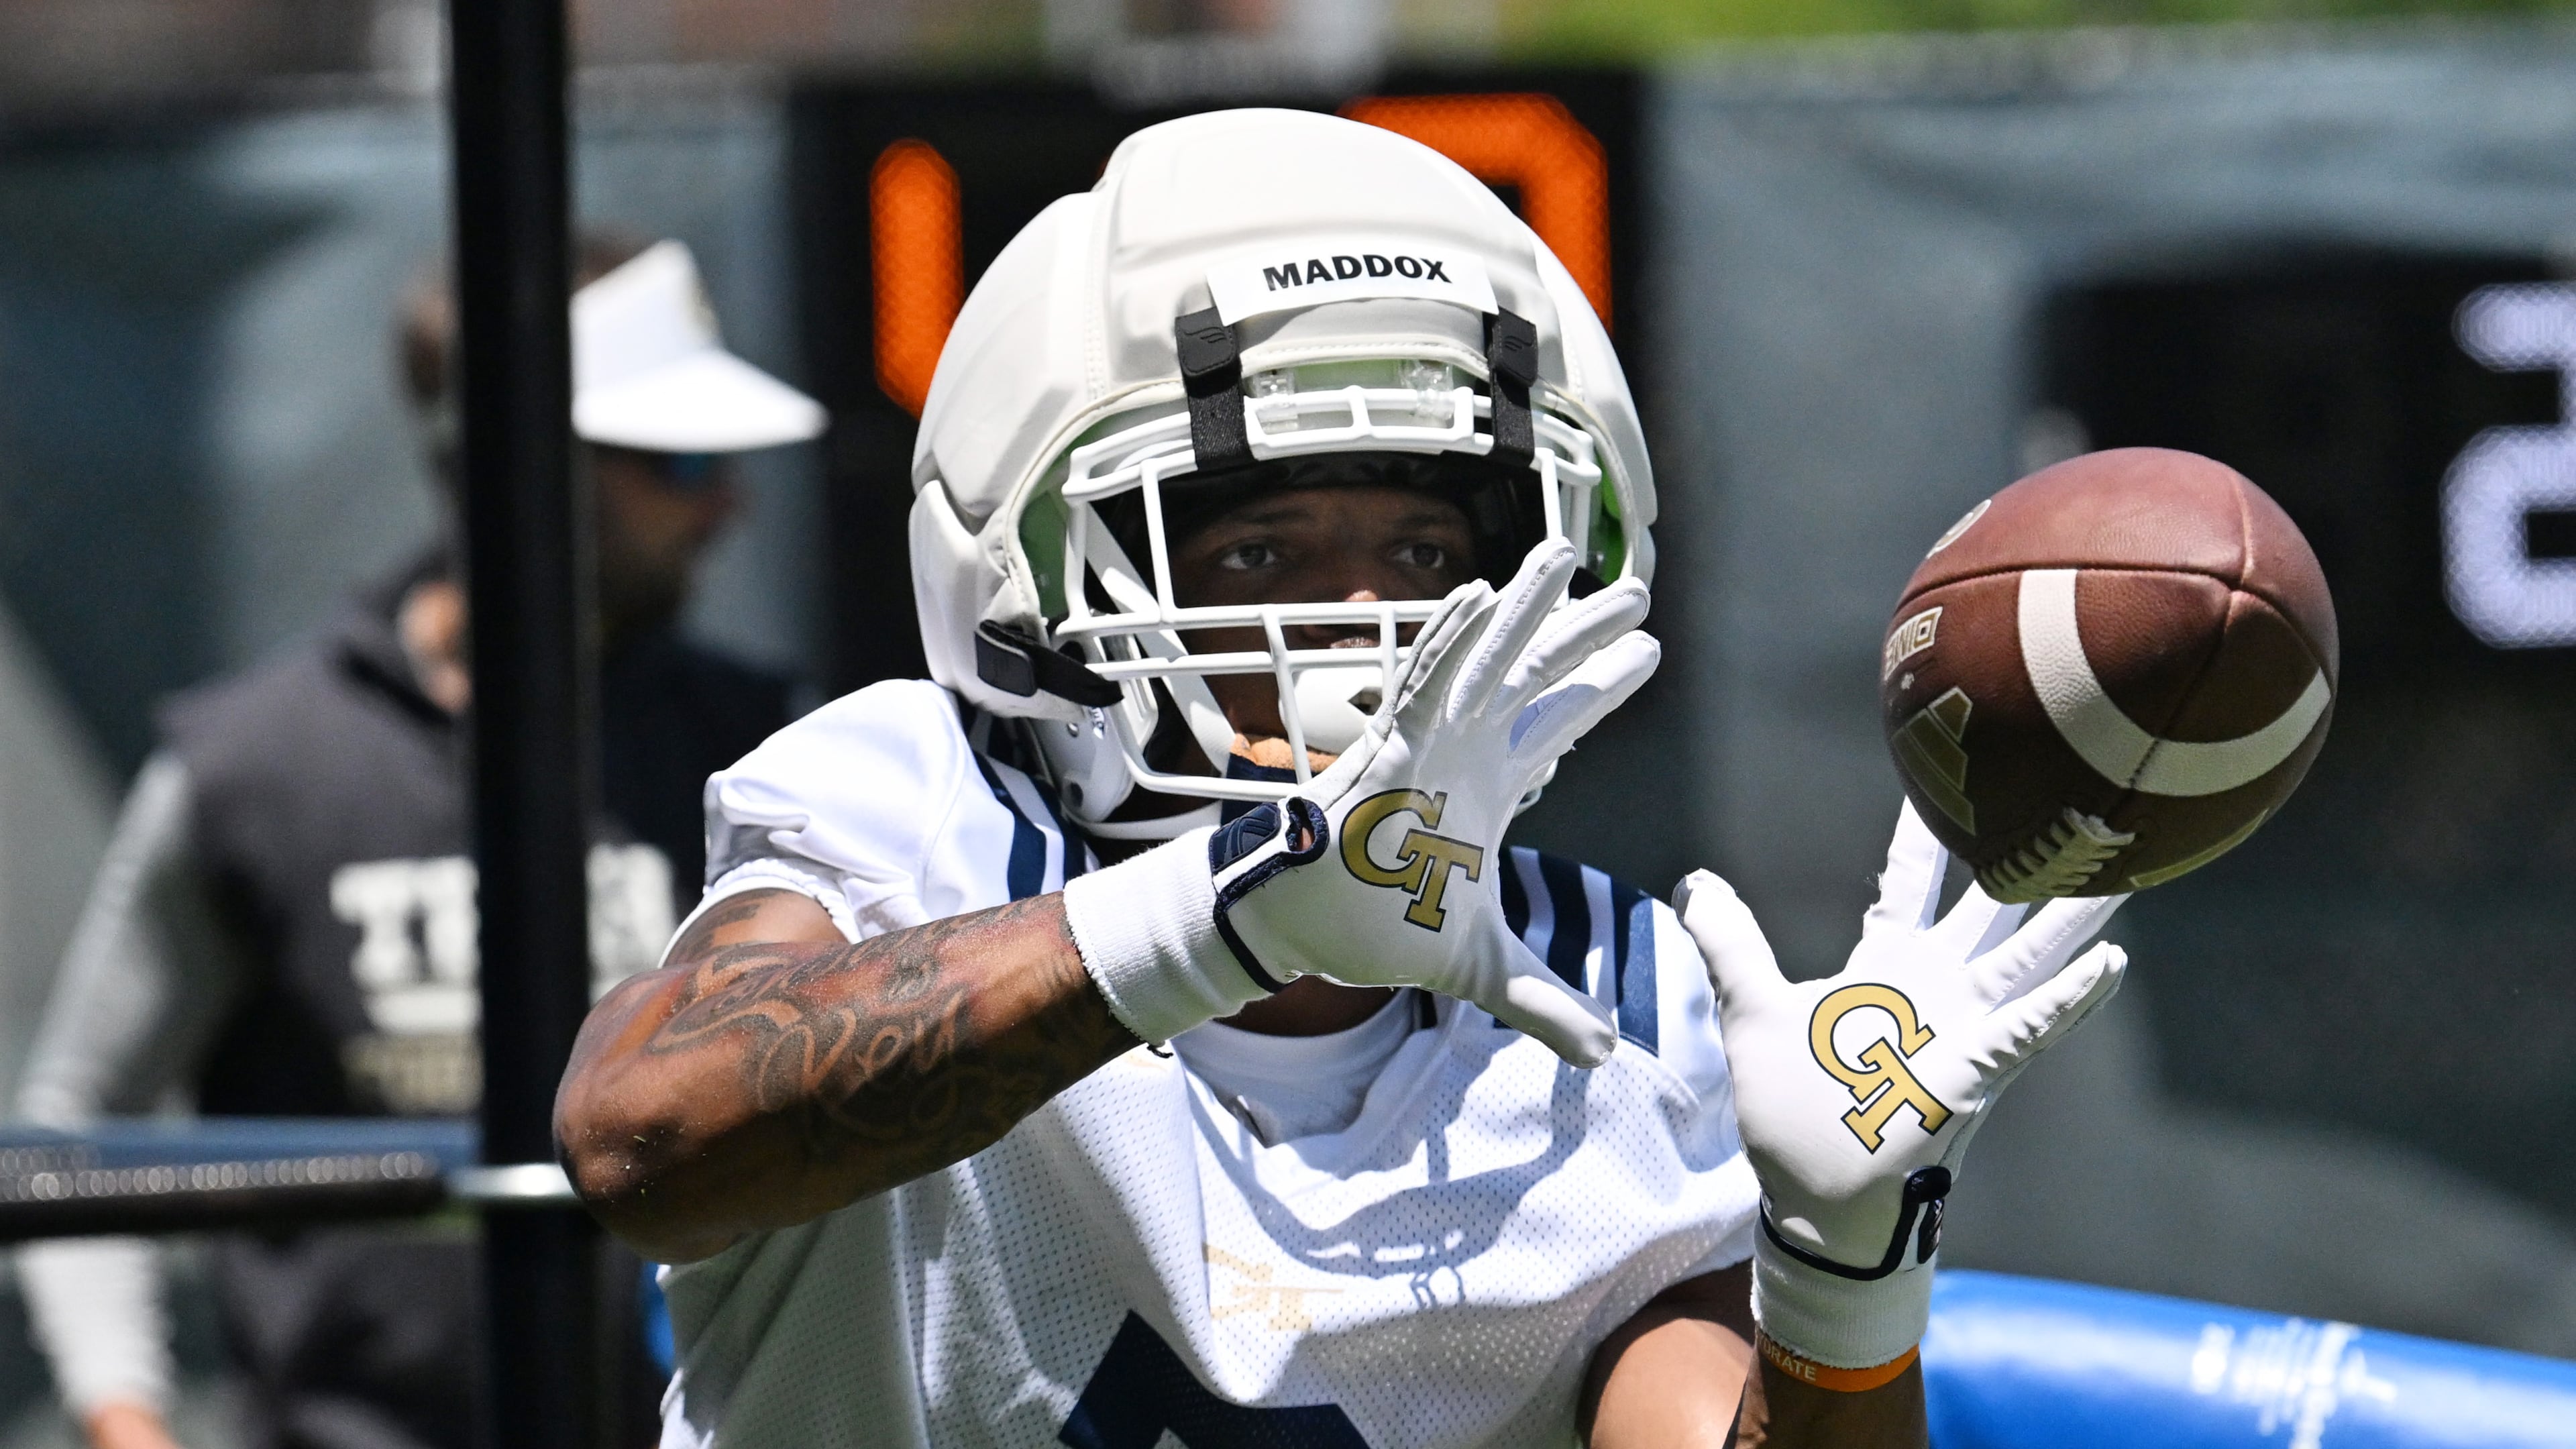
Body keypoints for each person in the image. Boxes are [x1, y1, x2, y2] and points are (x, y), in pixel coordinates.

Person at [556, 109, 2127, 1448]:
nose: (1368, 622)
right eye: (1254, 551)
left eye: (1428, 552)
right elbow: (643, 1141)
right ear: (1031, 576)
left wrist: (1844, 1293)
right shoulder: (919, 811)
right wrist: (1221, 919)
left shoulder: (1620, 1009)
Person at [13, 235, 826, 1449]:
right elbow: (79, 1116)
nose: (726, 504)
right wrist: (125, 1419)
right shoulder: (255, 769)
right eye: (679, 457)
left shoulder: (764, 754)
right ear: (507, 466)